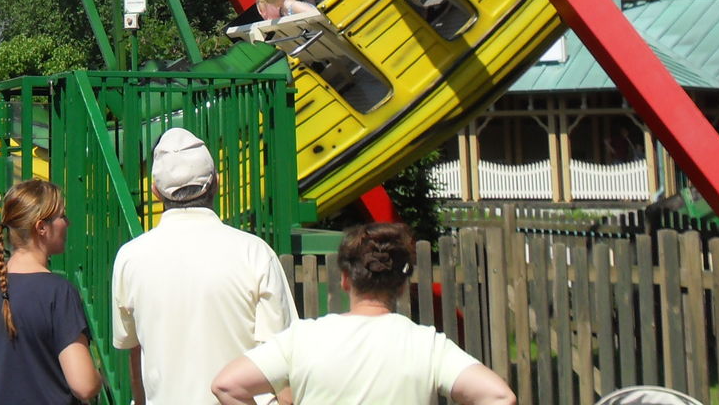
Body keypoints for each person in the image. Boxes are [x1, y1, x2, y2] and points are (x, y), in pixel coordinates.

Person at [210, 222, 515, 405]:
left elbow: (227, 385)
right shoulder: (427, 345)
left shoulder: (303, 338)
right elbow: (499, 397)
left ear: (345, 279)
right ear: (402, 285)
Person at [113, 127, 297, 405]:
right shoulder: (255, 253)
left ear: (155, 192)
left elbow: (133, 348)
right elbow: (282, 361)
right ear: (216, 183)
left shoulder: (130, 258)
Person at [0, 179, 101, 405]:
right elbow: (84, 385)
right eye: (62, 216)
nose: (67, 223)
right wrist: (98, 378)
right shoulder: (58, 293)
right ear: (41, 227)